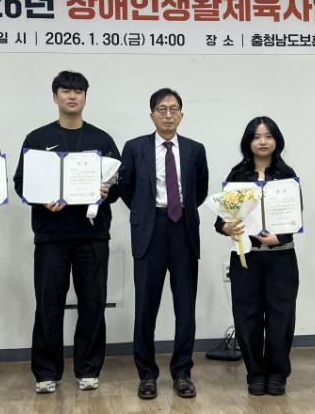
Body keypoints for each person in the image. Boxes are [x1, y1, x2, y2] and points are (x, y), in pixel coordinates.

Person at [13, 70, 120, 394]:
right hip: (51, 237)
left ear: (85, 97)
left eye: (78, 91)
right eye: (65, 91)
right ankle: (46, 372)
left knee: (93, 304)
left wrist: (107, 191)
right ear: (55, 96)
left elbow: (118, 185)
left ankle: (88, 369)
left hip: (92, 236)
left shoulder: (102, 140)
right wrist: (41, 199)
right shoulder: (36, 139)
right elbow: (21, 183)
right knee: (48, 304)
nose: (72, 96)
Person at [120, 88, 209, 400]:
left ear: (182, 114)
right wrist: (147, 212)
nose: (168, 114)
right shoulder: (134, 148)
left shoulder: (195, 149)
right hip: (150, 229)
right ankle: (146, 374)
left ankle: (182, 372)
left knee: (185, 306)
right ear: (152, 115)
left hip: (183, 228)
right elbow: (127, 189)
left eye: (173, 109)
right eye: (162, 109)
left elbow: (199, 191)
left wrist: (179, 210)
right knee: (145, 306)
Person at [214, 116, 300, 396]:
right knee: (246, 316)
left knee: (281, 316)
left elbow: (295, 217)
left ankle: (277, 373)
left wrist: (281, 238)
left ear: (277, 140)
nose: (263, 142)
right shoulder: (237, 175)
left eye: (268, 136)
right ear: (248, 142)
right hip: (245, 257)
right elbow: (221, 220)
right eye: (256, 136)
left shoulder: (287, 174)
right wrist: (226, 227)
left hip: (281, 257)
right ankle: (255, 372)